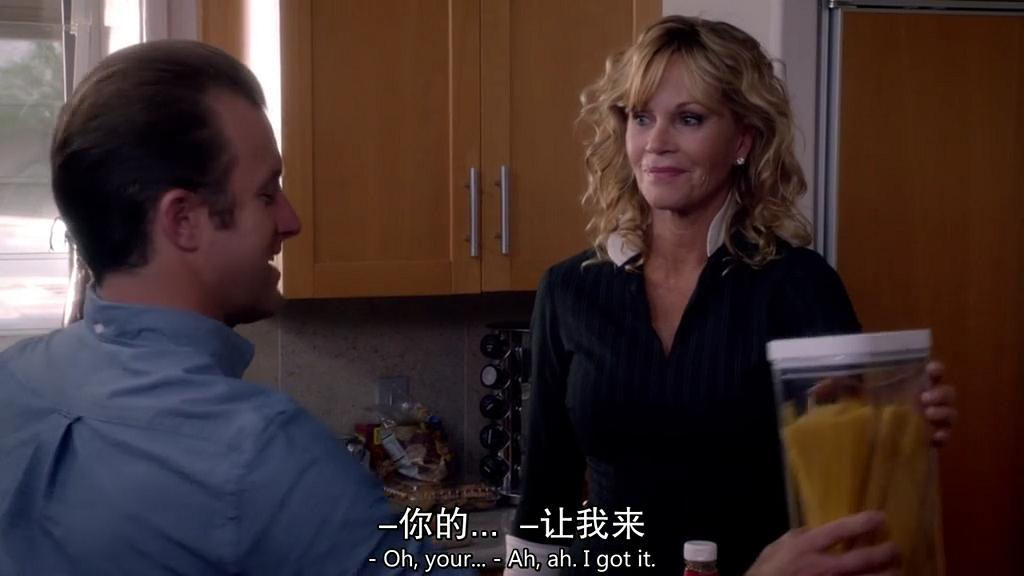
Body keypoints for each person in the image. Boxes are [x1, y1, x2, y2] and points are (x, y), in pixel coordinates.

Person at [505, 16, 956, 576]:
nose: (656, 143)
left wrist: (899, 427)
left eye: (689, 119)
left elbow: (853, 490)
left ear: (742, 139)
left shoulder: (798, 286)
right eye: (642, 117)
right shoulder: (569, 290)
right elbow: (543, 504)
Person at [0, 41, 465, 575]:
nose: (291, 221)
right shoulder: (259, 451)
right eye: (266, 195)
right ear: (183, 221)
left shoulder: (13, 381)